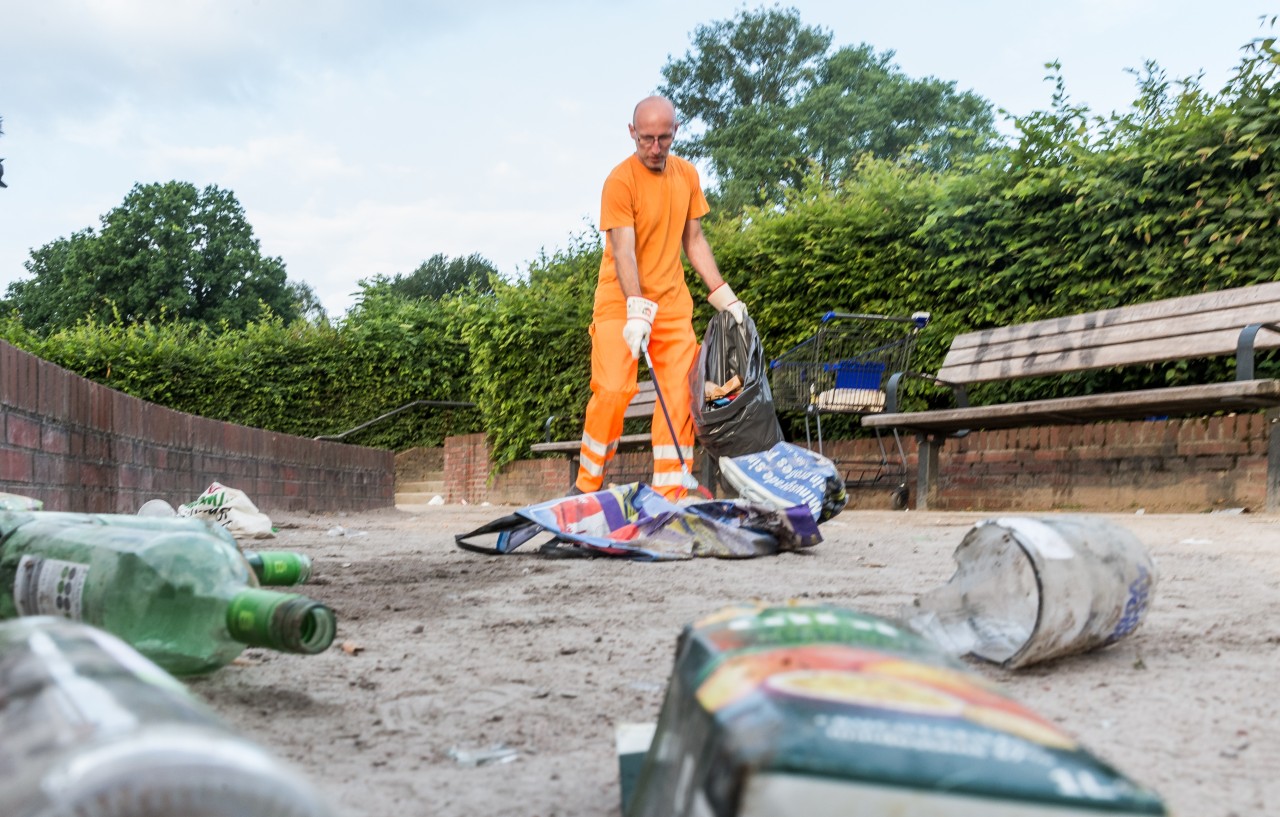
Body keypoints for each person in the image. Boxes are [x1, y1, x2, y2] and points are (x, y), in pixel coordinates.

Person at [573, 95, 747, 499]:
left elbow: (694, 239)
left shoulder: (686, 175)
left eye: (663, 138)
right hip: (620, 304)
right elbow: (623, 249)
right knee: (613, 391)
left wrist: (723, 294)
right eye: (646, 138)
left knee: (679, 394)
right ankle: (586, 488)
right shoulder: (620, 182)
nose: (655, 148)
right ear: (632, 133)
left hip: (671, 305)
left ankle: (672, 491)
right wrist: (636, 308)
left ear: (675, 133)